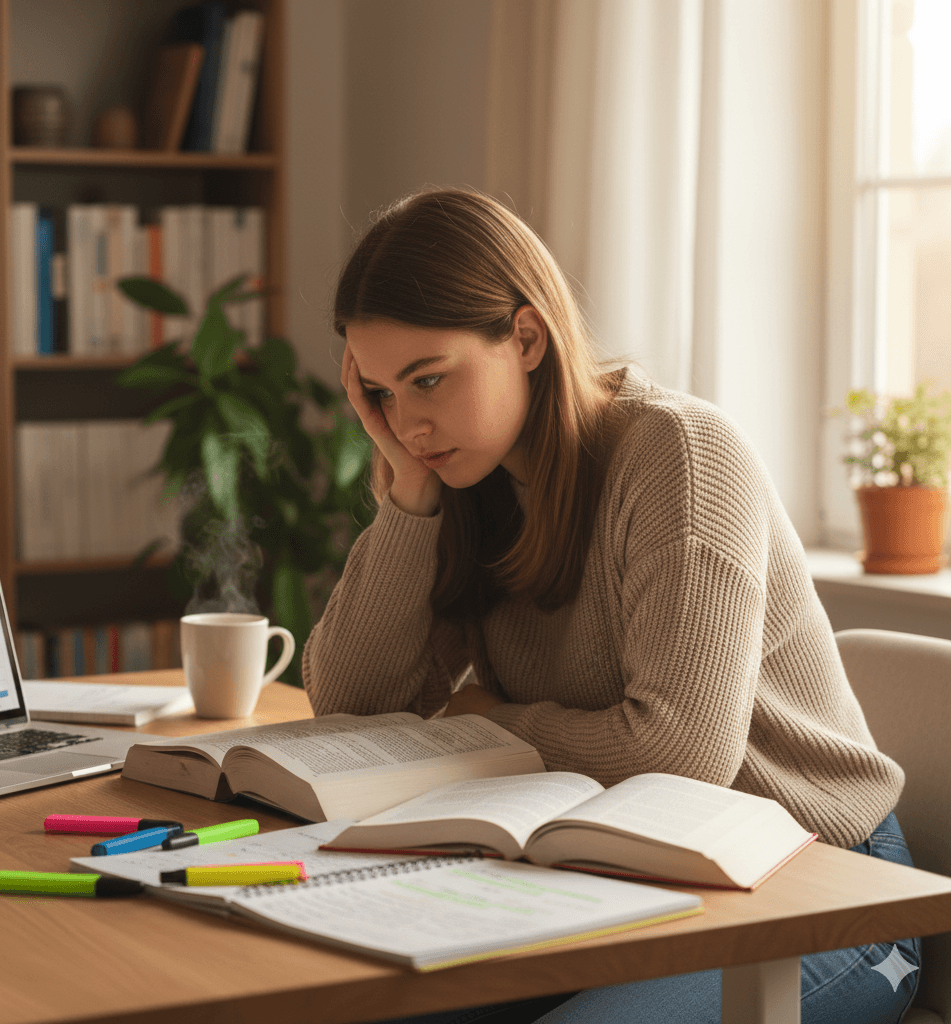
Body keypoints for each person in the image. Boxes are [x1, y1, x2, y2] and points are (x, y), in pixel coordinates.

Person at [302, 186, 920, 1024]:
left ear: (526, 338)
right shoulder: (465, 483)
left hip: (823, 882)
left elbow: (682, 751)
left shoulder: (680, 454)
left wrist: (485, 724)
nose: (408, 422)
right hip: (616, 868)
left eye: (429, 380)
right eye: (380, 394)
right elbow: (351, 706)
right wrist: (409, 494)